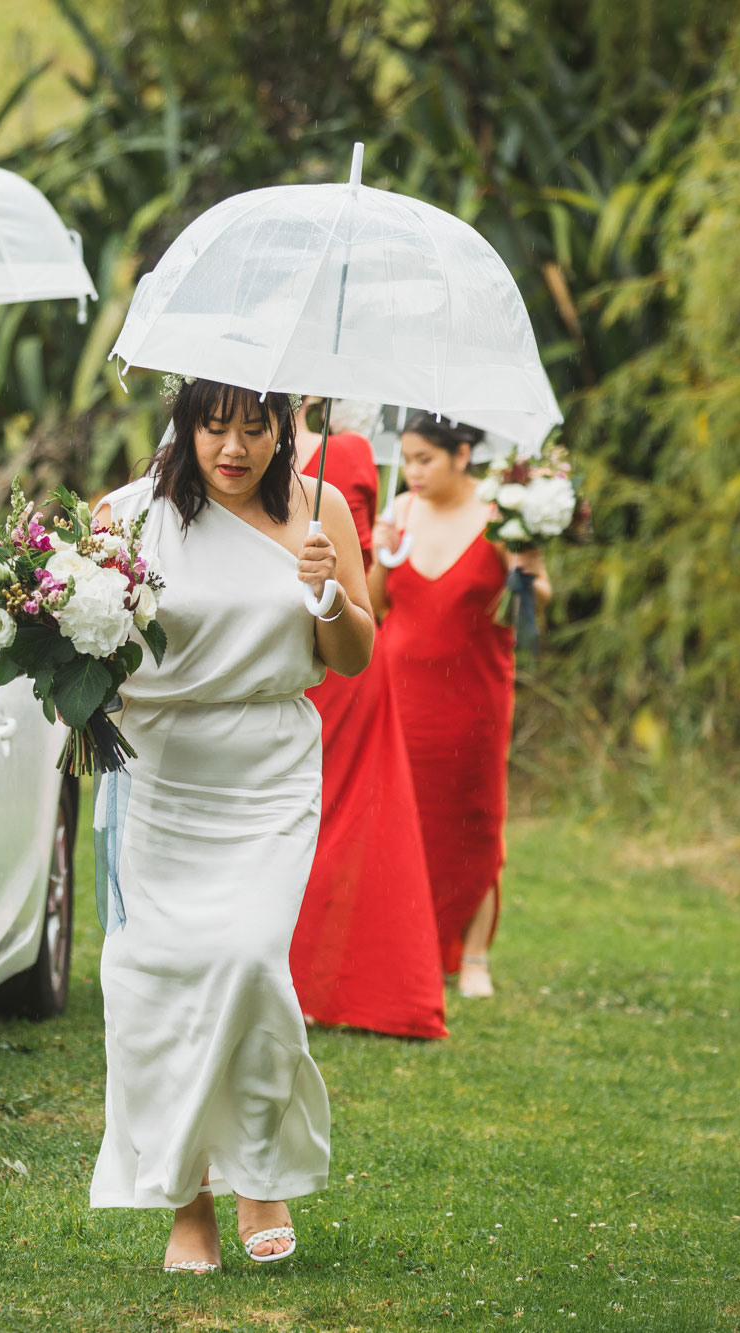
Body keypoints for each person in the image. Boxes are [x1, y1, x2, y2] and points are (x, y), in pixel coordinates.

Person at [90, 379, 374, 1274]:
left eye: (256, 426)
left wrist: (327, 595)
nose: (236, 448)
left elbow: (356, 655)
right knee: (156, 979)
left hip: (267, 771)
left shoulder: (319, 504)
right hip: (158, 774)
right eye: (216, 427)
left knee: (251, 960)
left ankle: (259, 1169)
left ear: (285, 426)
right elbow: (88, 642)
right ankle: (188, 1201)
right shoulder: (126, 515)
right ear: (186, 425)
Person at [372, 413, 552, 1000]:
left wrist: (528, 573)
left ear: (462, 454)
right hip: (401, 693)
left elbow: (538, 604)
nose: (415, 471)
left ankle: (474, 955)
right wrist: (380, 553)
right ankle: (408, 942)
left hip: (473, 695)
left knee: (475, 820)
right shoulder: (398, 513)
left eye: (426, 458)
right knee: (401, 818)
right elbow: (372, 606)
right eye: (410, 459)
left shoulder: (504, 516)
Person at [287, 399, 448, 1039]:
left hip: (339, 665)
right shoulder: (223, 461)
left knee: (342, 815)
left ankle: (351, 983)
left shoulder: (346, 453)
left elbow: (364, 581)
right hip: (272, 660)